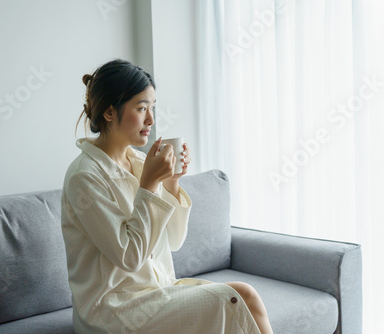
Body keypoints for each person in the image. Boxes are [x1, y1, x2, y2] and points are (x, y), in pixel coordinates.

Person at [61, 59, 273, 334]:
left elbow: (173, 241)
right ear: (111, 112)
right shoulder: (85, 177)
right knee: (228, 299)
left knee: (247, 295)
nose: (151, 119)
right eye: (141, 108)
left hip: (157, 292)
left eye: (152, 108)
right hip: (114, 311)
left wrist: (171, 183)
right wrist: (149, 184)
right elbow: (130, 257)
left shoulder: (139, 162)